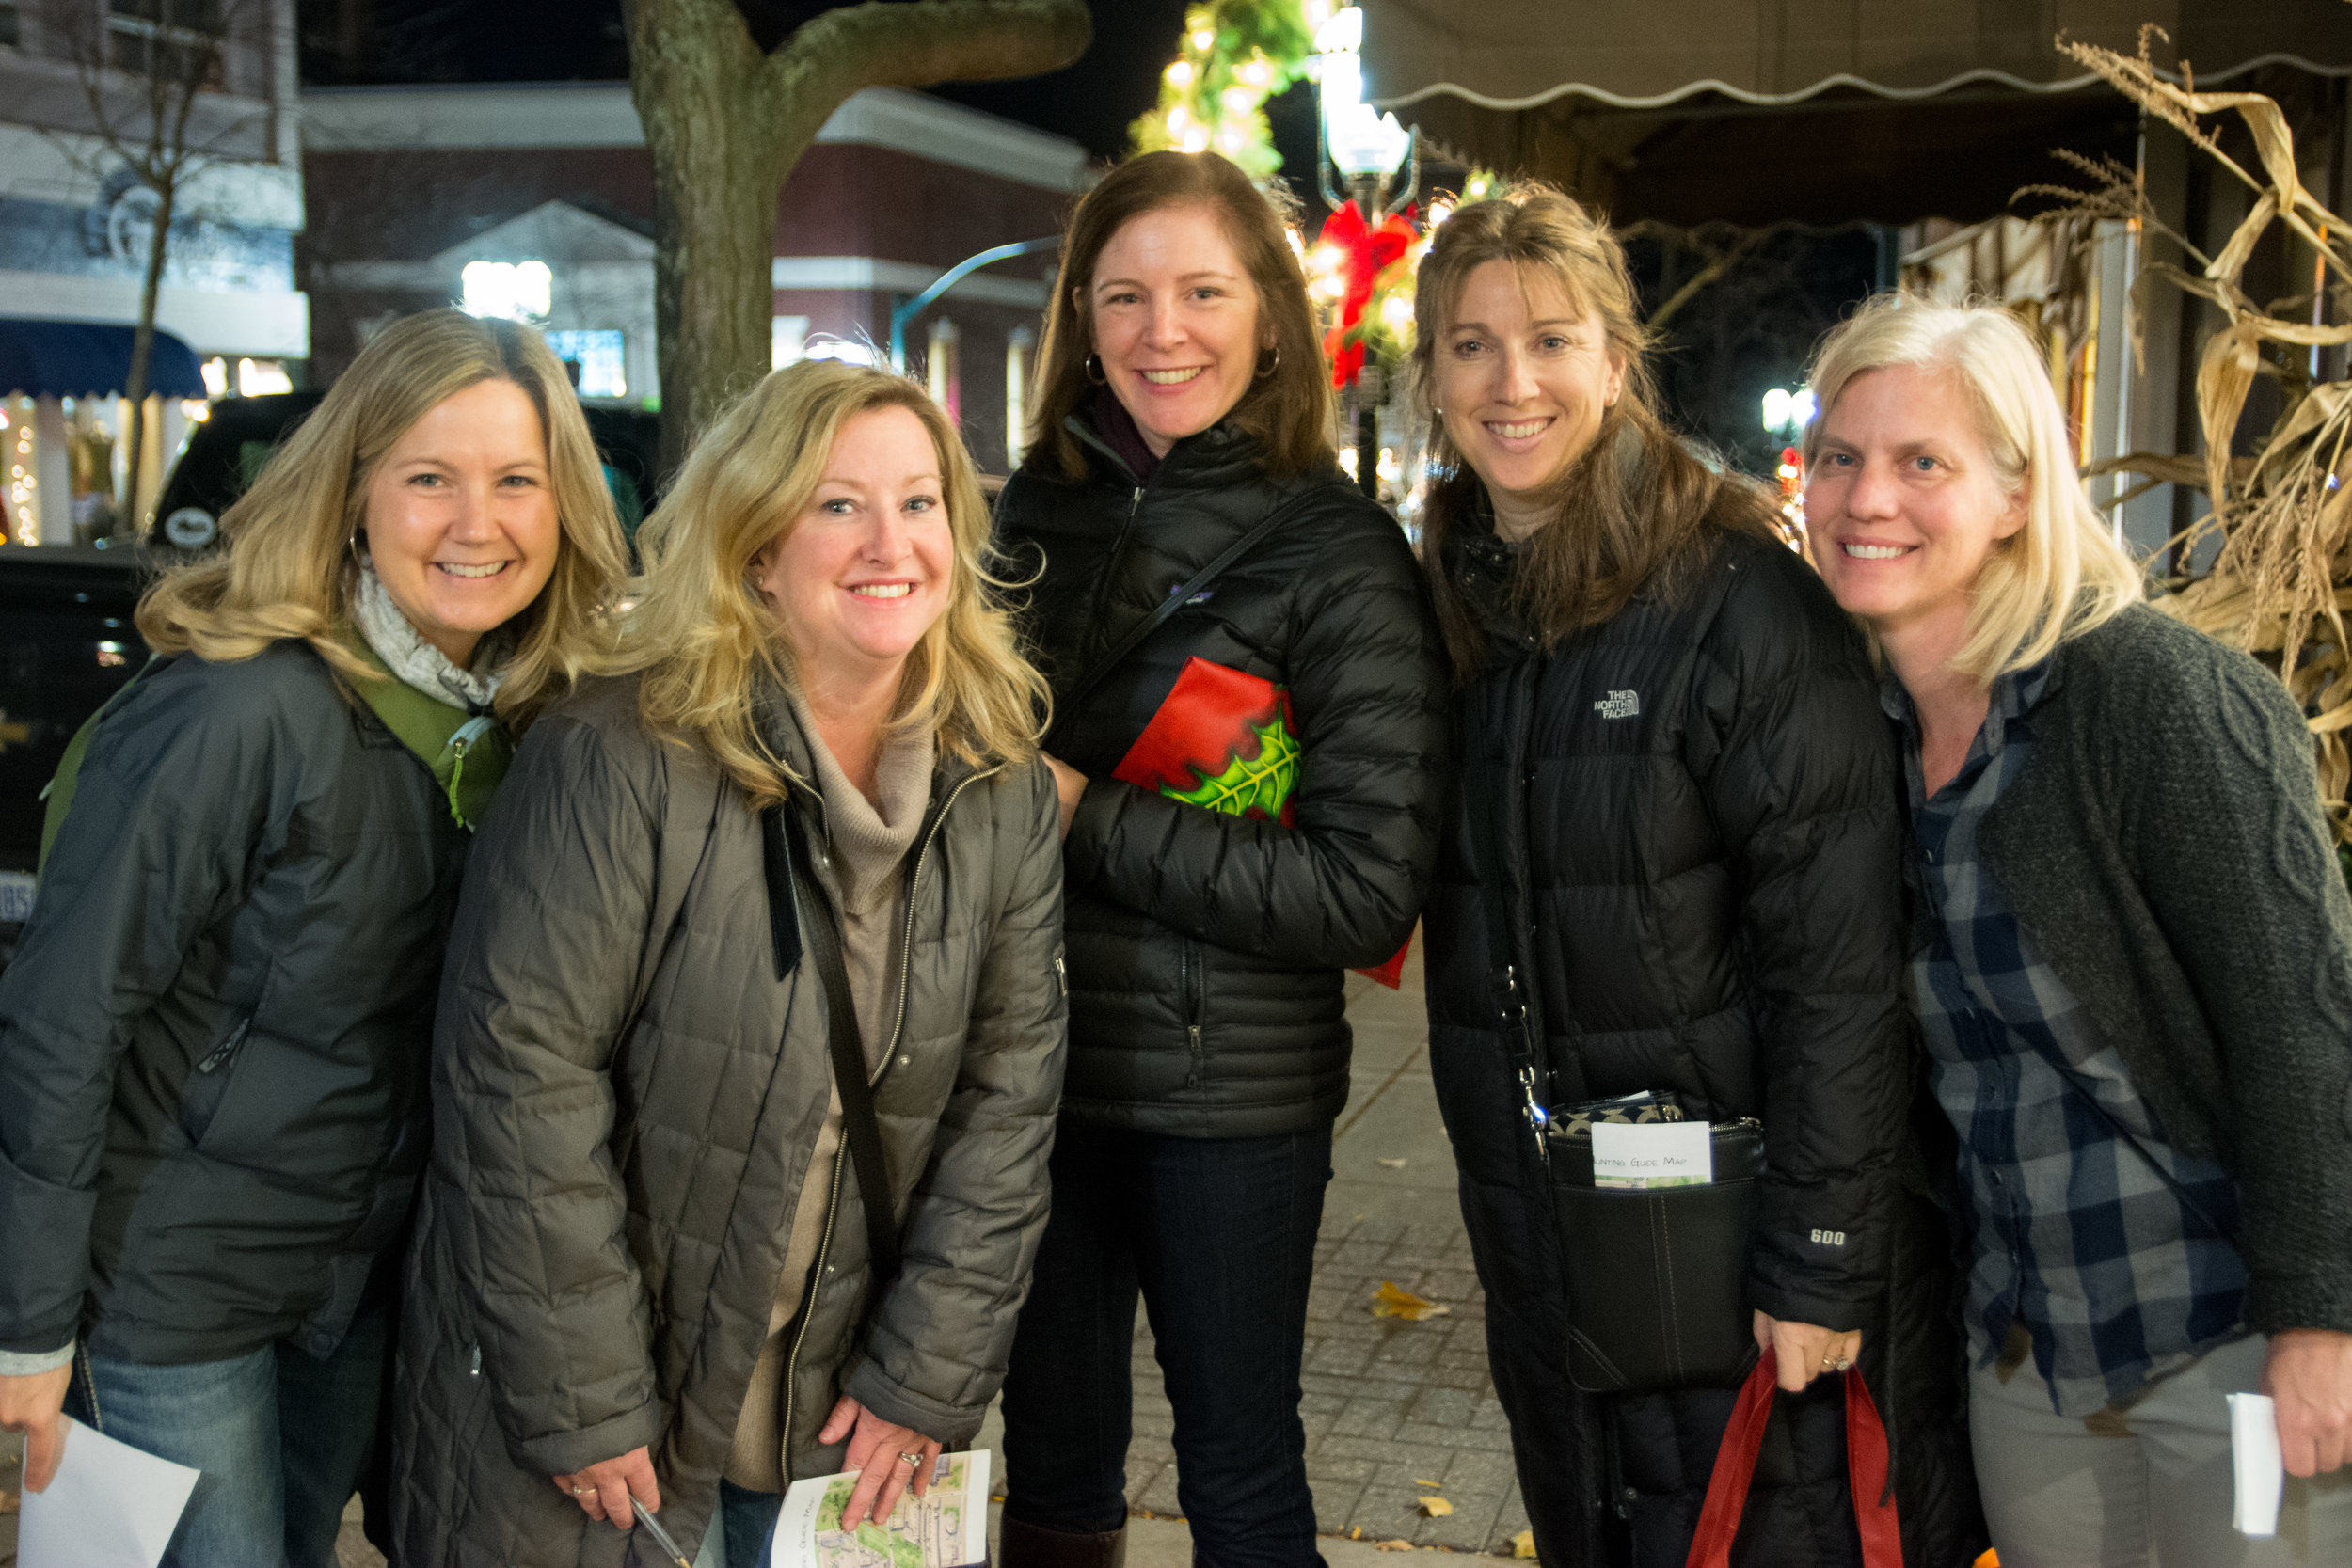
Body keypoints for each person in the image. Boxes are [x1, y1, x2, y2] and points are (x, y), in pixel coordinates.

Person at [385, 358, 1069, 1568]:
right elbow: (516, 1081)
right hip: (614, 1421)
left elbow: (1008, 1105)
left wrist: (927, 1370)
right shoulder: (618, 754)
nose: (888, 542)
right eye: (836, 503)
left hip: (847, 1421)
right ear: (756, 546)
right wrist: (582, 1395)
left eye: (920, 503)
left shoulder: (997, 779)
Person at [1411, 186, 1984, 1567]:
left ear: (1616, 358)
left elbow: (1839, 965)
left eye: (1551, 338)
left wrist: (1822, 1255)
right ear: (1429, 377)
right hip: (1558, 1249)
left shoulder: (1738, 602)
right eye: (1471, 346)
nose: (1513, 381)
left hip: (1743, 1267)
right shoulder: (1455, 602)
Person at [0, 309, 628, 1567]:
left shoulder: (525, 716)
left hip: (351, 1286)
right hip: (169, 1288)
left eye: (516, 480)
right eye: (428, 478)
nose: (476, 522)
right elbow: (63, 1015)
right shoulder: (239, 707)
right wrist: (27, 1327)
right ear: (351, 494)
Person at [1804, 293, 2352, 1565]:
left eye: (1920, 461)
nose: (1867, 497)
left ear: (2013, 492)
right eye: (1841, 456)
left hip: (2233, 1346)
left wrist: (2323, 1320)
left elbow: (2305, 1025)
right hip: (2030, 1357)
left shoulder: (2151, 697)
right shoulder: (1858, 728)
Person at [989, 149, 1449, 1568]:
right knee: (1050, 1467)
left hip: (1226, 1102)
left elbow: (1363, 887)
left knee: (1238, 1470)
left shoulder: (1339, 551)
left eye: (1200, 289)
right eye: (1121, 295)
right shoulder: (1028, 513)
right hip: (1027, 1073)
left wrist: (1081, 808)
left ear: (1267, 315)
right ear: (1081, 316)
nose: (1159, 329)